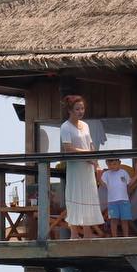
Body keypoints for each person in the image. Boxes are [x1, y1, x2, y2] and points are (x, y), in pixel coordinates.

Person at [59, 95, 105, 238]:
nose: (80, 111)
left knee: (88, 195)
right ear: (70, 110)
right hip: (76, 166)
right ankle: (73, 233)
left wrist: (96, 162)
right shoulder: (65, 127)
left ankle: (87, 232)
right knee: (75, 195)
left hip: (88, 166)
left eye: (82, 108)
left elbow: (91, 145)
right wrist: (87, 154)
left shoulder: (85, 125)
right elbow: (68, 148)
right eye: (77, 109)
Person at [100, 156, 137, 237]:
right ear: (107, 164)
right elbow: (103, 184)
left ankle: (126, 237)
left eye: (114, 164)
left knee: (125, 220)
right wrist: (98, 176)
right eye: (109, 164)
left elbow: (129, 183)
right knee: (113, 220)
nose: (112, 166)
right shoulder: (106, 174)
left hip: (124, 200)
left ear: (119, 163)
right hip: (112, 202)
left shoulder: (123, 172)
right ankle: (114, 237)